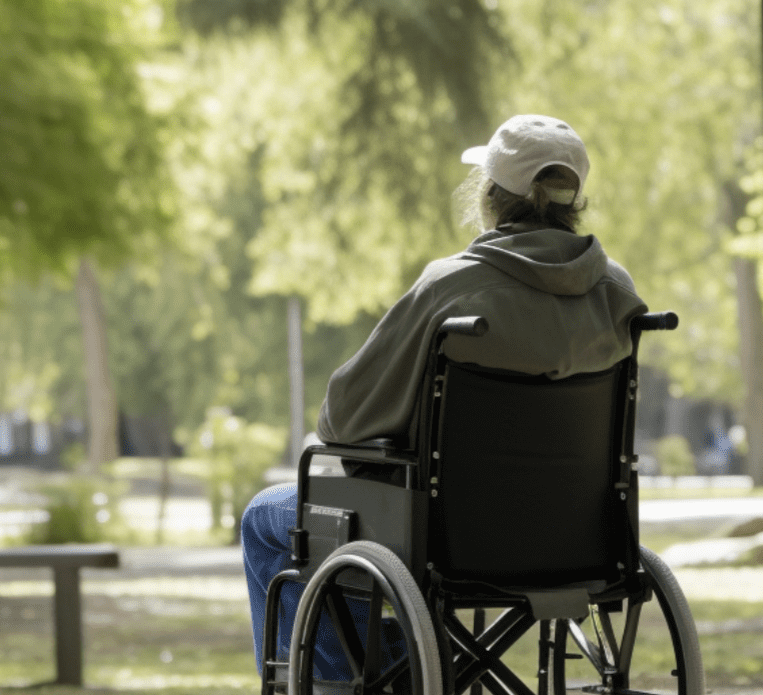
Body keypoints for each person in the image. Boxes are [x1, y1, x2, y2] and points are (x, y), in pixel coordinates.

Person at [240, 114, 647, 678]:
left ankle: (367, 676)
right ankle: (409, 661)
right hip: (581, 539)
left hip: (447, 535)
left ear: (490, 197)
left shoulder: (451, 286)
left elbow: (345, 419)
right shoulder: (618, 293)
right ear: (573, 200)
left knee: (267, 516)